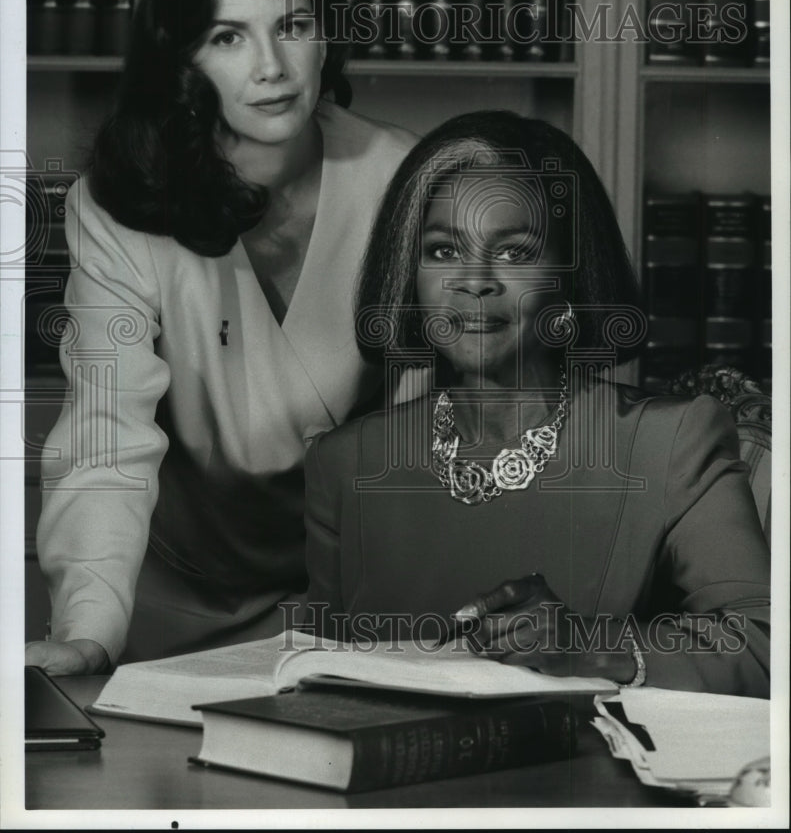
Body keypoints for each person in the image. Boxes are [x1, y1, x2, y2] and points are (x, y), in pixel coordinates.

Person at [25, 0, 416, 675]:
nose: (271, 66)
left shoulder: (403, 177)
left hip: (352, 604)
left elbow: (428, 445)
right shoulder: (118, 205)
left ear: (327, 33)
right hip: (167, 607)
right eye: (226, 37)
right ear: (184, 59)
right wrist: (88, 631)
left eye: (292, 25)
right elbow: (107, 442)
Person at [301, 111, 770, 697]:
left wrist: (589, 647)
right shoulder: (344, 464)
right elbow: (316, 673)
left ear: (571, 279)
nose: (474, 281)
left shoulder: (669, 444)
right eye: (443, 252)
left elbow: (762, 644)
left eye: (516, 253)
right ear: (408, 276)